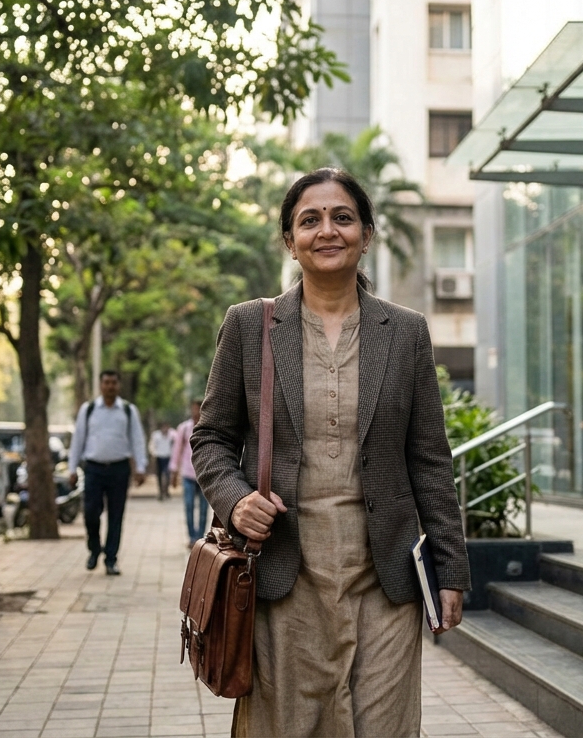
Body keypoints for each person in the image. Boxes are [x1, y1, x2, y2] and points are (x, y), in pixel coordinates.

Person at [192, 168, 470, 737]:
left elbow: (430, 458)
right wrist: (235, 499)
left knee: (385, 728)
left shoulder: (406, 331)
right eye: (309, 220)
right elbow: (211, 437)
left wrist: (451, 569)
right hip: (286, 577)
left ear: (366, 235)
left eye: (343, 217)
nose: (327, 230)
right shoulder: (251, 326)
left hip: (384, 580)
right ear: (289, 241)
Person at [67, 370, 147, 576]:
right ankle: (94, 549)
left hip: (119, 469)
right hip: (93, 468)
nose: (110, 386)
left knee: (116, 515)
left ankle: (111, 559)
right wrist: (72, 468)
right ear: (101, 385)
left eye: (113, 382)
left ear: (118, 386)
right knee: (91, 513)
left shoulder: (128, 411)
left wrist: (140, 467)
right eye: (106, 382)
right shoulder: (89, 409)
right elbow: (78, 440)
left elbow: (137, 439)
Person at [171, 400, 207, 546]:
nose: (195, 412)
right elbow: (177, 450)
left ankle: (200, 538)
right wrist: (174, 471)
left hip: (205, 475)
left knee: (204, 509)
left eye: (198, 409)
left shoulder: (209, 428)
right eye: (193, 409)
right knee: (189, 505)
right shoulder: (184, 428)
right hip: (188, 474)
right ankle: (192, 537)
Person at [149, 422, 175, 500]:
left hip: (168, 457)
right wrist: (153, 453)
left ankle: (166, 491)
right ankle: (160, 492)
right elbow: (152, 445)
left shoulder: (172, 435)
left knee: (167, 475)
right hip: (159, 457)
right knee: (159, 475)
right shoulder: (156, 435)